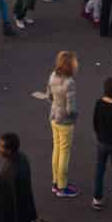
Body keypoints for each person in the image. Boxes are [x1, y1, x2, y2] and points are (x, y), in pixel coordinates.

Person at [46, 52, 78, 200]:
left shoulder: (52, 75)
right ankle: (62, 186)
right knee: (64, 153)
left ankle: (55, 182)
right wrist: (74, 117)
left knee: (57, 149)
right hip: (65, 121)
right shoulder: (70, 82)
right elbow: (71, 108)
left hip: (53, 116)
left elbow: (49, 96)